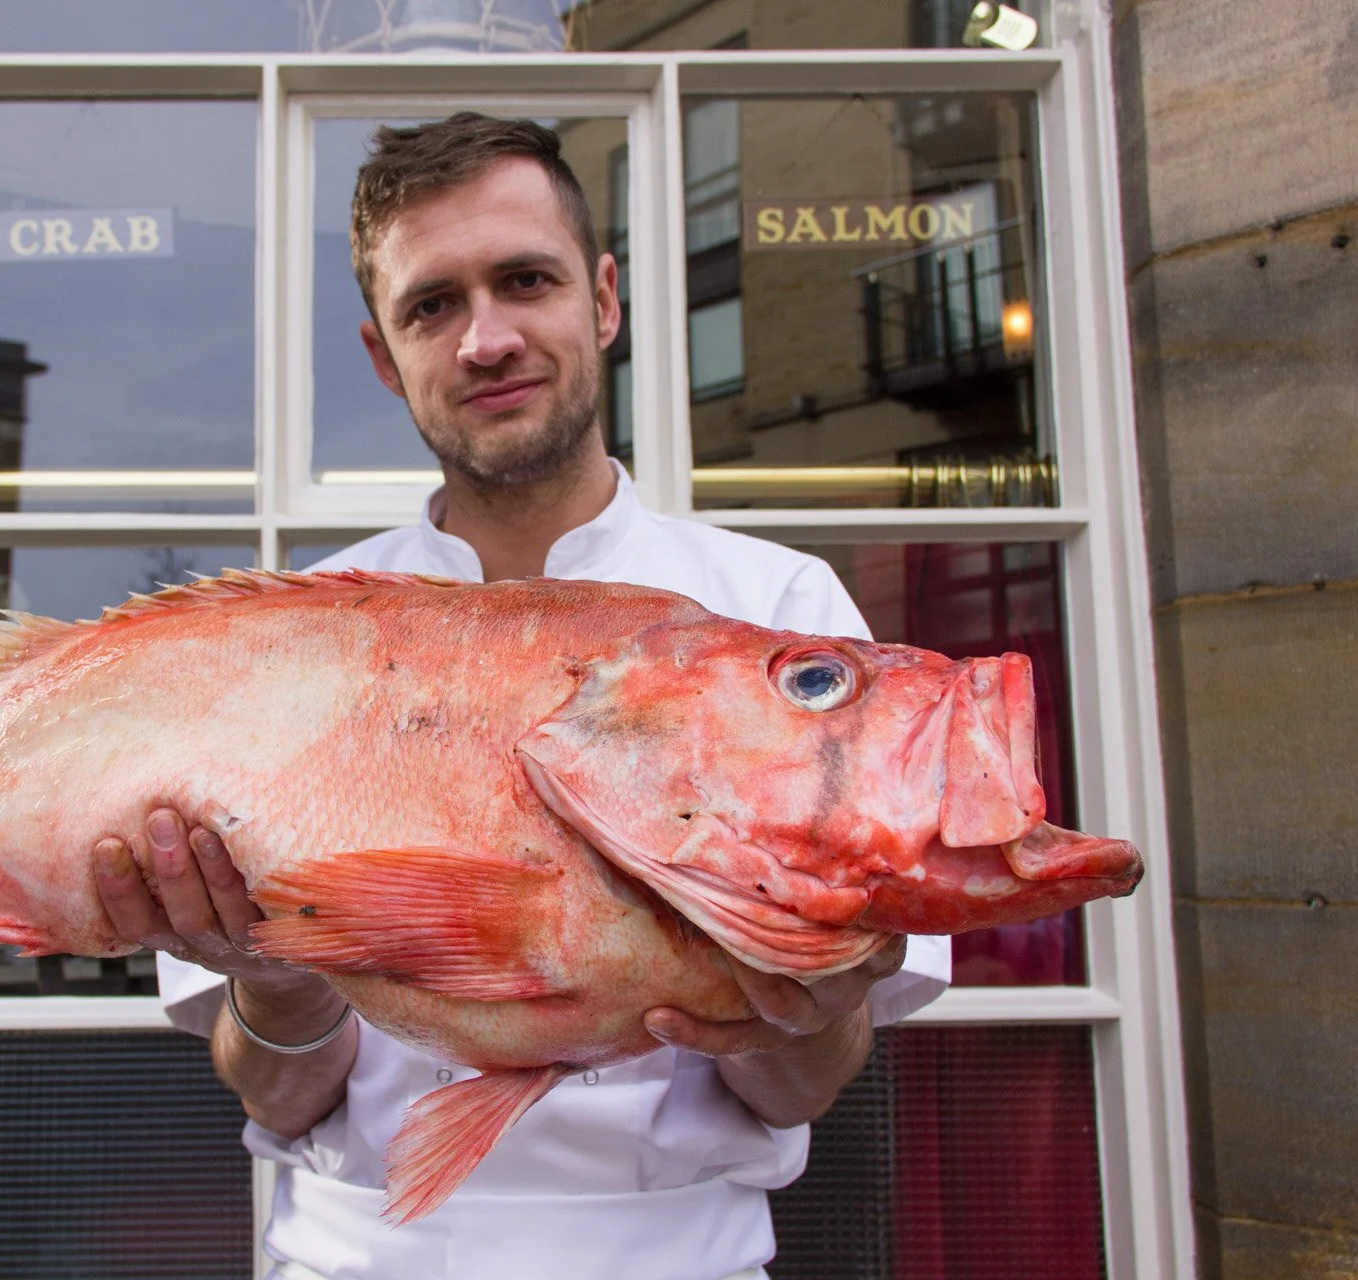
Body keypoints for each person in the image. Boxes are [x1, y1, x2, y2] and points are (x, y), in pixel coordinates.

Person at [94, 113, 951, 1280]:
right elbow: (282, 1097)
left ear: (602, 299)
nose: (486, 338)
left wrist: (799, 1003)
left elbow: (804, 1088)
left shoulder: (781, 613)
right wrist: (277, 974)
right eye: (432, 305)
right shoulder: (291, 642)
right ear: (383, 357)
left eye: (525, 280)